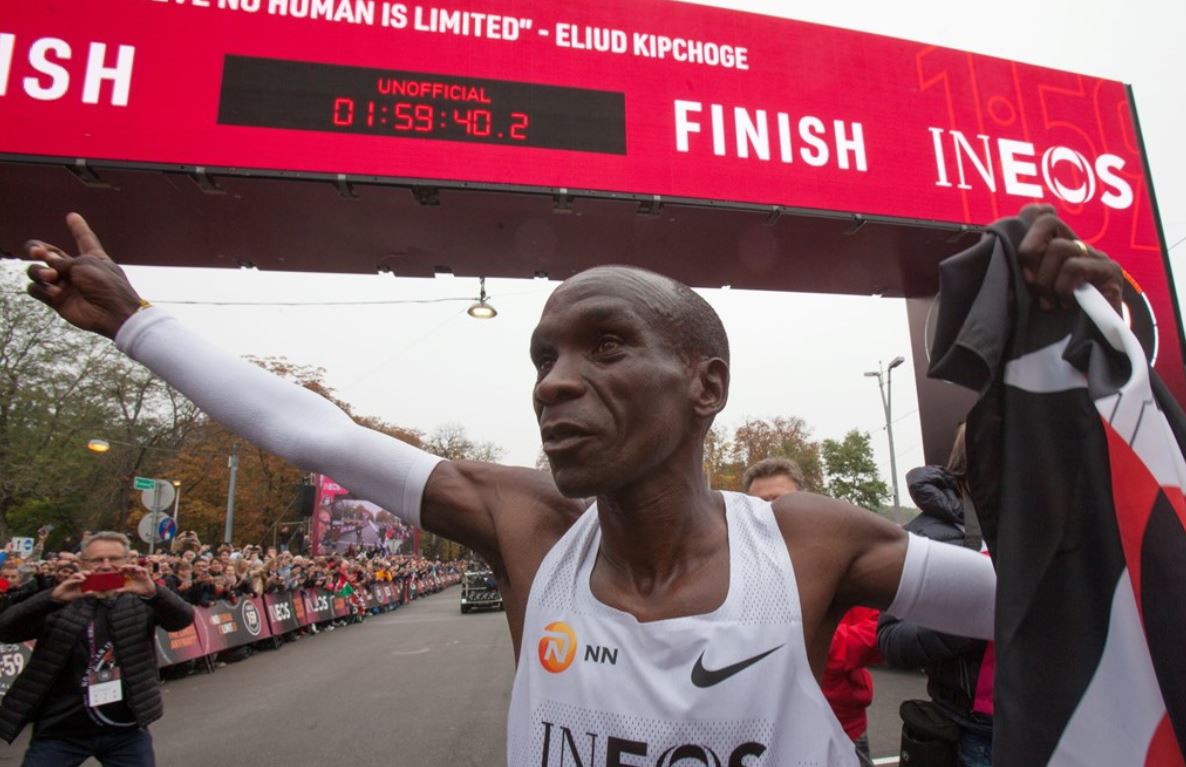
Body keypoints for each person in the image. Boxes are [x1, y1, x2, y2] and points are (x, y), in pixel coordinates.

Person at [22, 206, 1116, 765]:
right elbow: (317, 430)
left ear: (705, 384)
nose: (557, 383)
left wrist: (1073, 371)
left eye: (601, 346)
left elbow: (1060, 599)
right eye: (543, 357)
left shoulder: (811, 541)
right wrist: (136, 320)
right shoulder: (525, 524)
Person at [0, 531, 195, 765]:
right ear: (82, 563)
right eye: (97, 560)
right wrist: (51, 599)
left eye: (114, 559)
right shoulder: (60, 597)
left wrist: (154, 592)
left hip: (124, 728)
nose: (106, 565)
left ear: (128, 562)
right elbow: (7, 630)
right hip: (61, 728)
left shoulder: (141, 598)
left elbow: (182, 620)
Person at [743, 457, 882, 766]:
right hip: (761, 731)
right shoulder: (735, 569)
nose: (769, 511)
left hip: (841, 723)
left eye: (780, 501)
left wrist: (806, 638)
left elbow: (877, 635)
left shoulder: (847, 560)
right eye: (759, 503)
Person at [878, 426, 994, 767]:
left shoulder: (1054, 522)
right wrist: (970, 619)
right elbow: (891, 640)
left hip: (1059, 724)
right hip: (973, 735)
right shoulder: (926, 535)